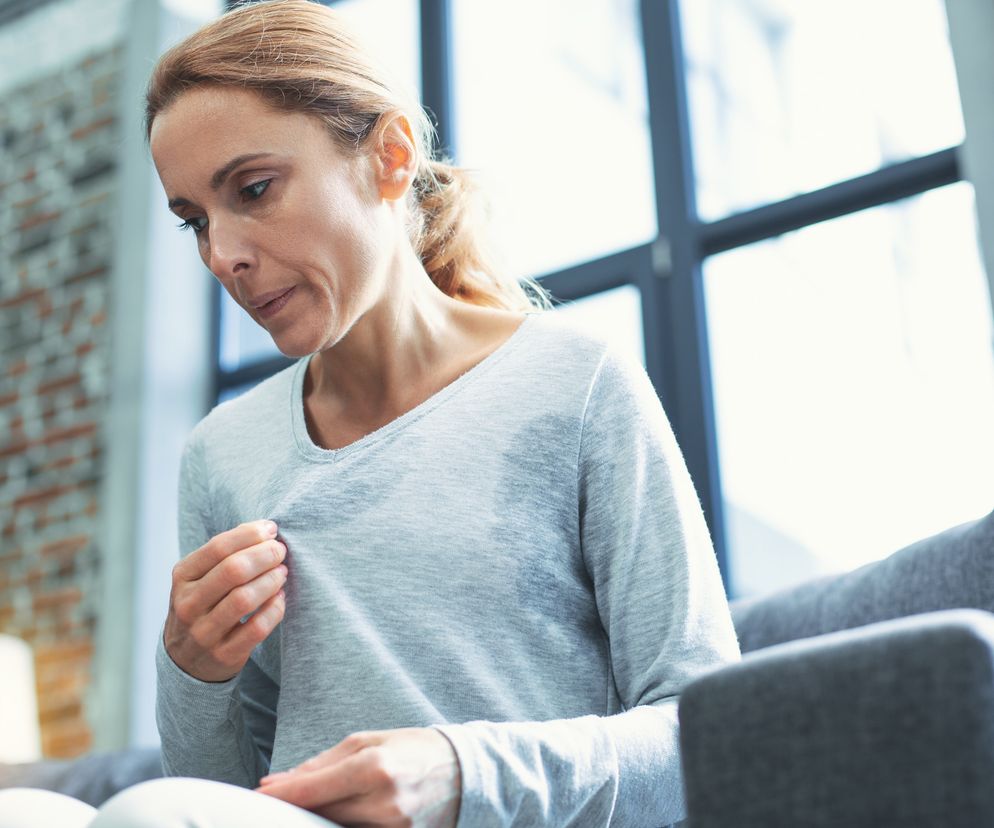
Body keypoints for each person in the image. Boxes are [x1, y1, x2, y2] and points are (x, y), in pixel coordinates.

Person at [0, 1, 740, 826]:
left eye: (253, 189)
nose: (223, 255)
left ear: (388, 157)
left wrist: (462, 773)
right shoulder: (222, 454)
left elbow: (707, 736)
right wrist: (192, 671)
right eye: (195, 223)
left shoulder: (577, 383)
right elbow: (213, 797)